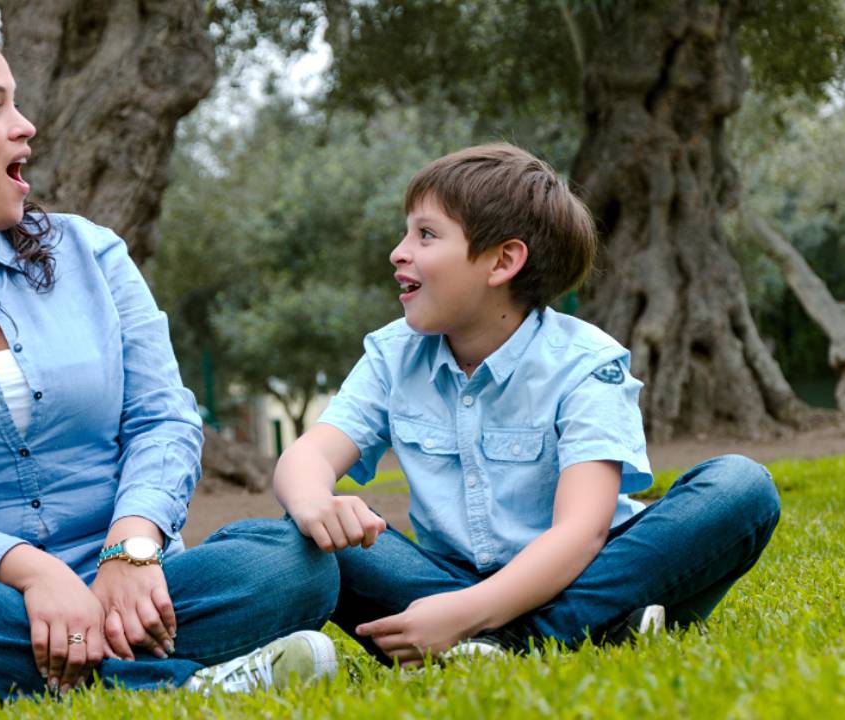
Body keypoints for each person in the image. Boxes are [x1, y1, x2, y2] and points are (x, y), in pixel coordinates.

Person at [0, 16, 337, 713]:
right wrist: (34, 574)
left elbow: (164, 418)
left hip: (135, 581)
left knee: (296, 565)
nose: (26, 126)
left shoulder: (93, 254)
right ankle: (185, 681)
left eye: (14, 102)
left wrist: (130, 550)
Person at [273, 143, 781, 666]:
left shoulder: (586, 364)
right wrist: (314, 501)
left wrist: (465, 612)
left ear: (503, 261)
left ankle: (504, 643)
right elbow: (308, 456)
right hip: (446, 581)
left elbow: (581, 534)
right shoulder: (391, 355)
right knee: (308, 531)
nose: (398, 252)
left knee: (741, 487)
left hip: (587, 570)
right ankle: (591, 628)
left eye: (425, 234)